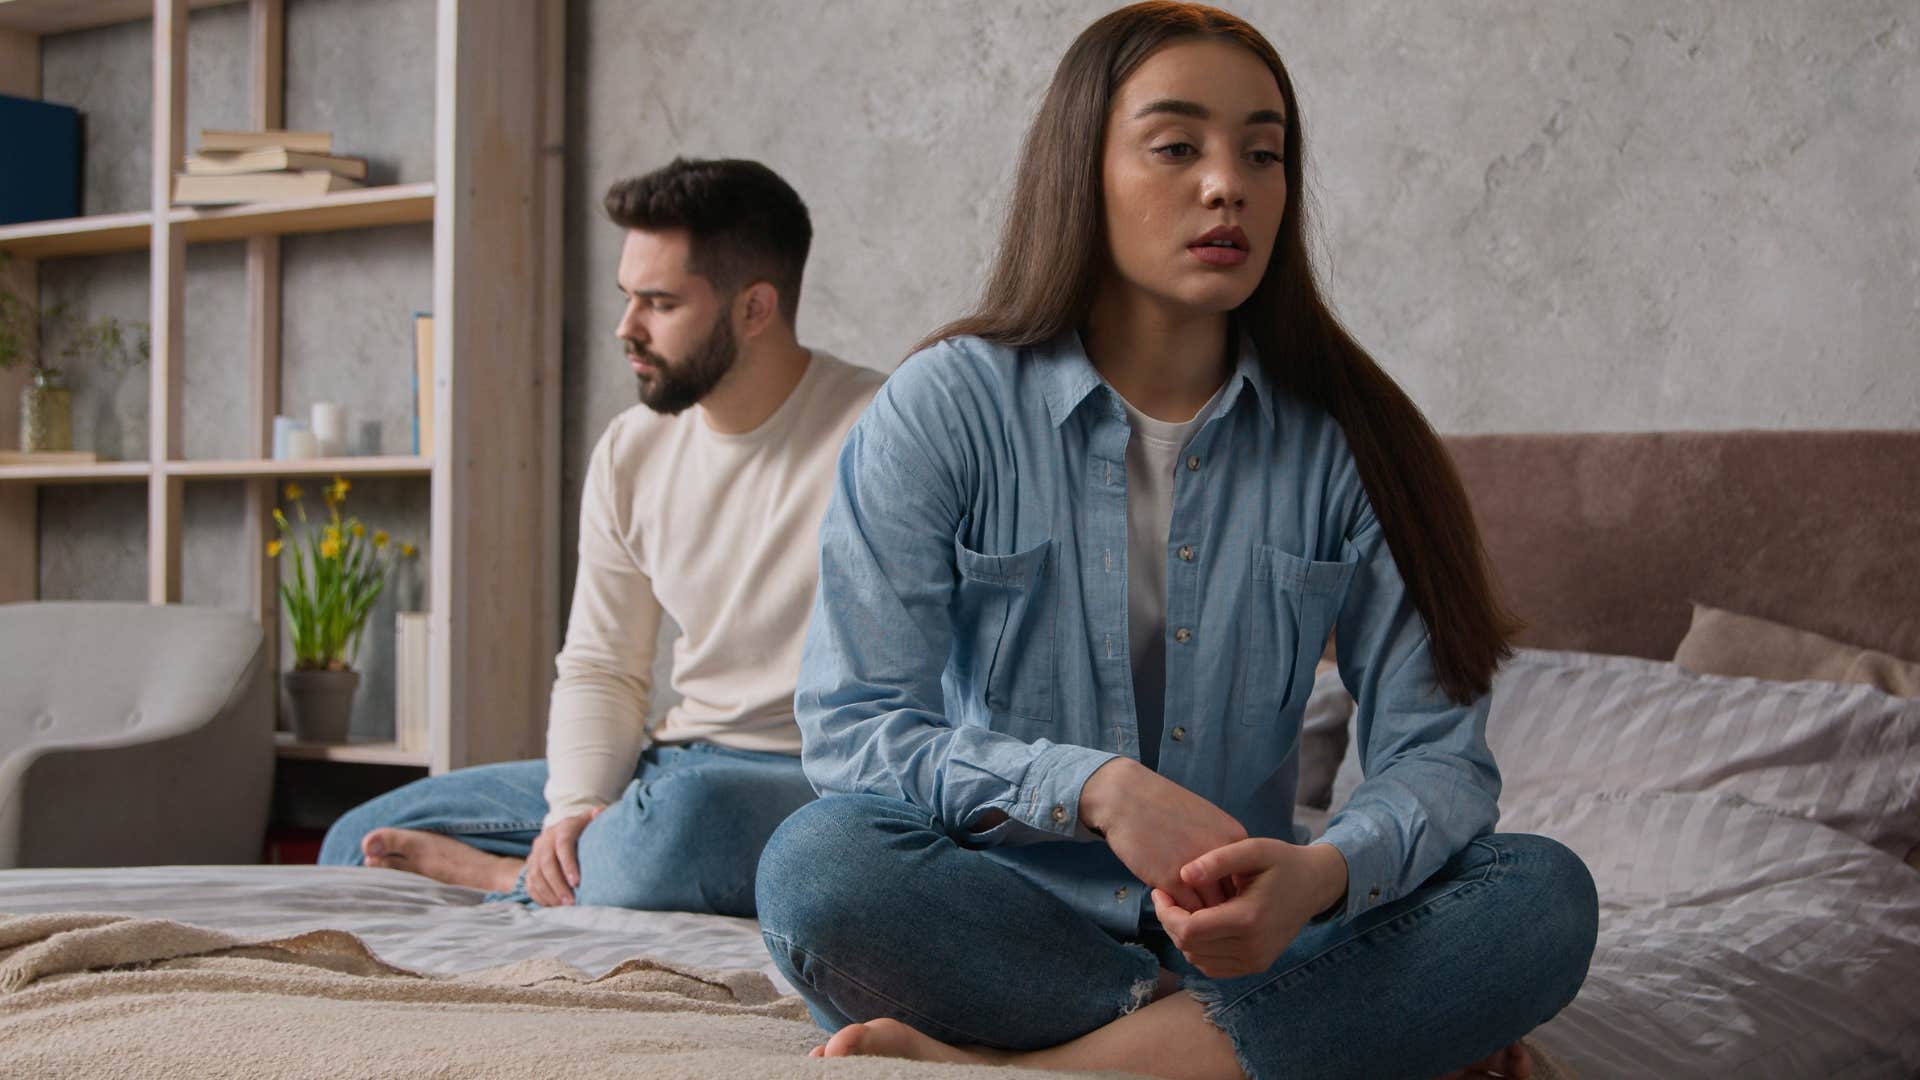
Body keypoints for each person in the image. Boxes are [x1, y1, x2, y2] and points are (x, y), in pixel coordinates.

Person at [754, 4, 1598, 1078]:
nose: (1227, 185)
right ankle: (1264, 1040)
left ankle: (1044, 1072)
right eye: (1177, 146)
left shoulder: (1351, 436)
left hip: (1261, 932)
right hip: (1011, 919)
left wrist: (1320, 877)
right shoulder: (946, 406)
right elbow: (858, 727)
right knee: (817, 870)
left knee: (1541, 897)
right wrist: (1096, 787)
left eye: (1263, 153)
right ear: (1083, 170)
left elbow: (1437, 756)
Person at [318, 157, 884, 916]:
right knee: (356, 836)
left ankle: (503, 881)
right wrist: (574, 810)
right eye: (627, 298)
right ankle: (572, 868)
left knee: (681, 827)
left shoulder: (880, 431)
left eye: (659, 303)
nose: (627, 328)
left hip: (806, 775)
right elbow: (602, 666)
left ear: (754, 309)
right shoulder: (632, 447)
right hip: (672, 762)